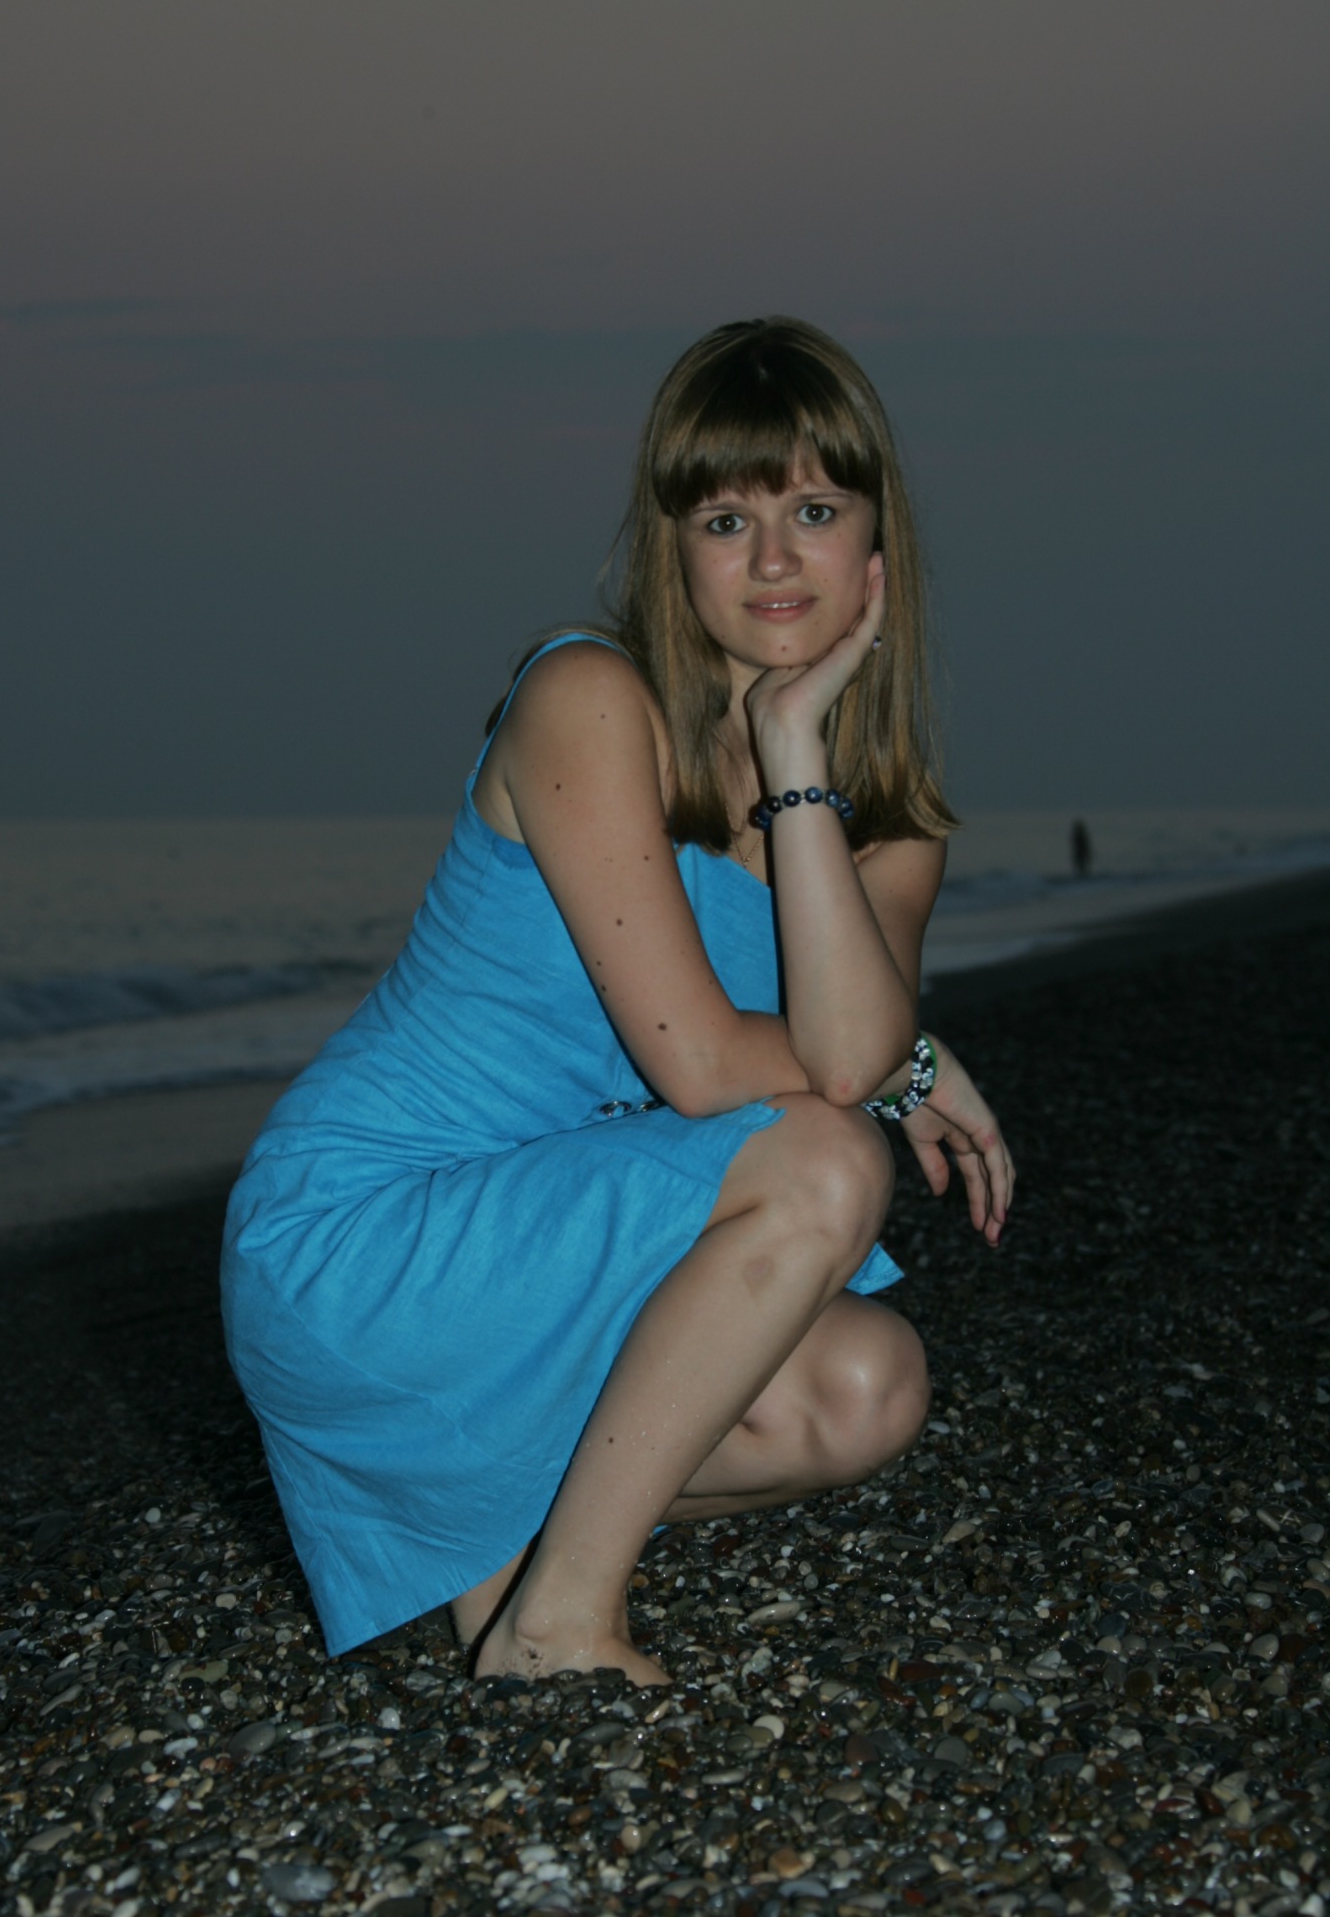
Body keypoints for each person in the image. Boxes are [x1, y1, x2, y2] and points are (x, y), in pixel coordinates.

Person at [221, 316, 1014, 1687]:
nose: (774, 560)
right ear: (674, 549)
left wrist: (792, 752)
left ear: (877, 547)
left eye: (815, 512)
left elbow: (844, 1052)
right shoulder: (588, 700)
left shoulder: (891, 836)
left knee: (866, 1386)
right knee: (829, 1160)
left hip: (564, 1252)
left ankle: (506, 1549)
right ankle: (559, 1619)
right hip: (366, 1242)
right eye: (727, 520)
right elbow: (712, 1068)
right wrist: (906, 1063)